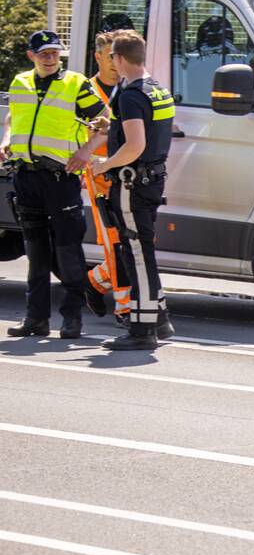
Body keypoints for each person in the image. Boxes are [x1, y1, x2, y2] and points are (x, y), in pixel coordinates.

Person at [0, 30, 106, 339]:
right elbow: (13, 118)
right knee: (36, 252)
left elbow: (105, 121)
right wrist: (7, 141)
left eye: (54, 53)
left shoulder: (76, 84)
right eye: (43, 53)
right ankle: (36, 319)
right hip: (27, 176)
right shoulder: (20, 82)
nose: (50, 58)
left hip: (61, 178)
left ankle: (72, 319)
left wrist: (86, 153)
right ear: (31, 56)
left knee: (67, 251)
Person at [90, 30, 174, 350]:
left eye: (113, 56)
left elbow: (135, 145)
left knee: (136, 253)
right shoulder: (156, 89)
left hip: (132, 182)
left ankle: (141, 330)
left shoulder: (131, 95)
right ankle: (160, 318)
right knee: (144, 252)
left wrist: (104, 164)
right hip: (153, 179)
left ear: (120, 58)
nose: (112, 61)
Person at [82, 30, 132, 325]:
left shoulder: (130, 87)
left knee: (136, 240)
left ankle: (95, 281)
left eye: (118, 56)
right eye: (109, 56)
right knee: (115, 242)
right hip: (100, 178)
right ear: (97, 57)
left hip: (128, 176)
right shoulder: (84, 91)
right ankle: (124, 307)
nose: (115, 62)